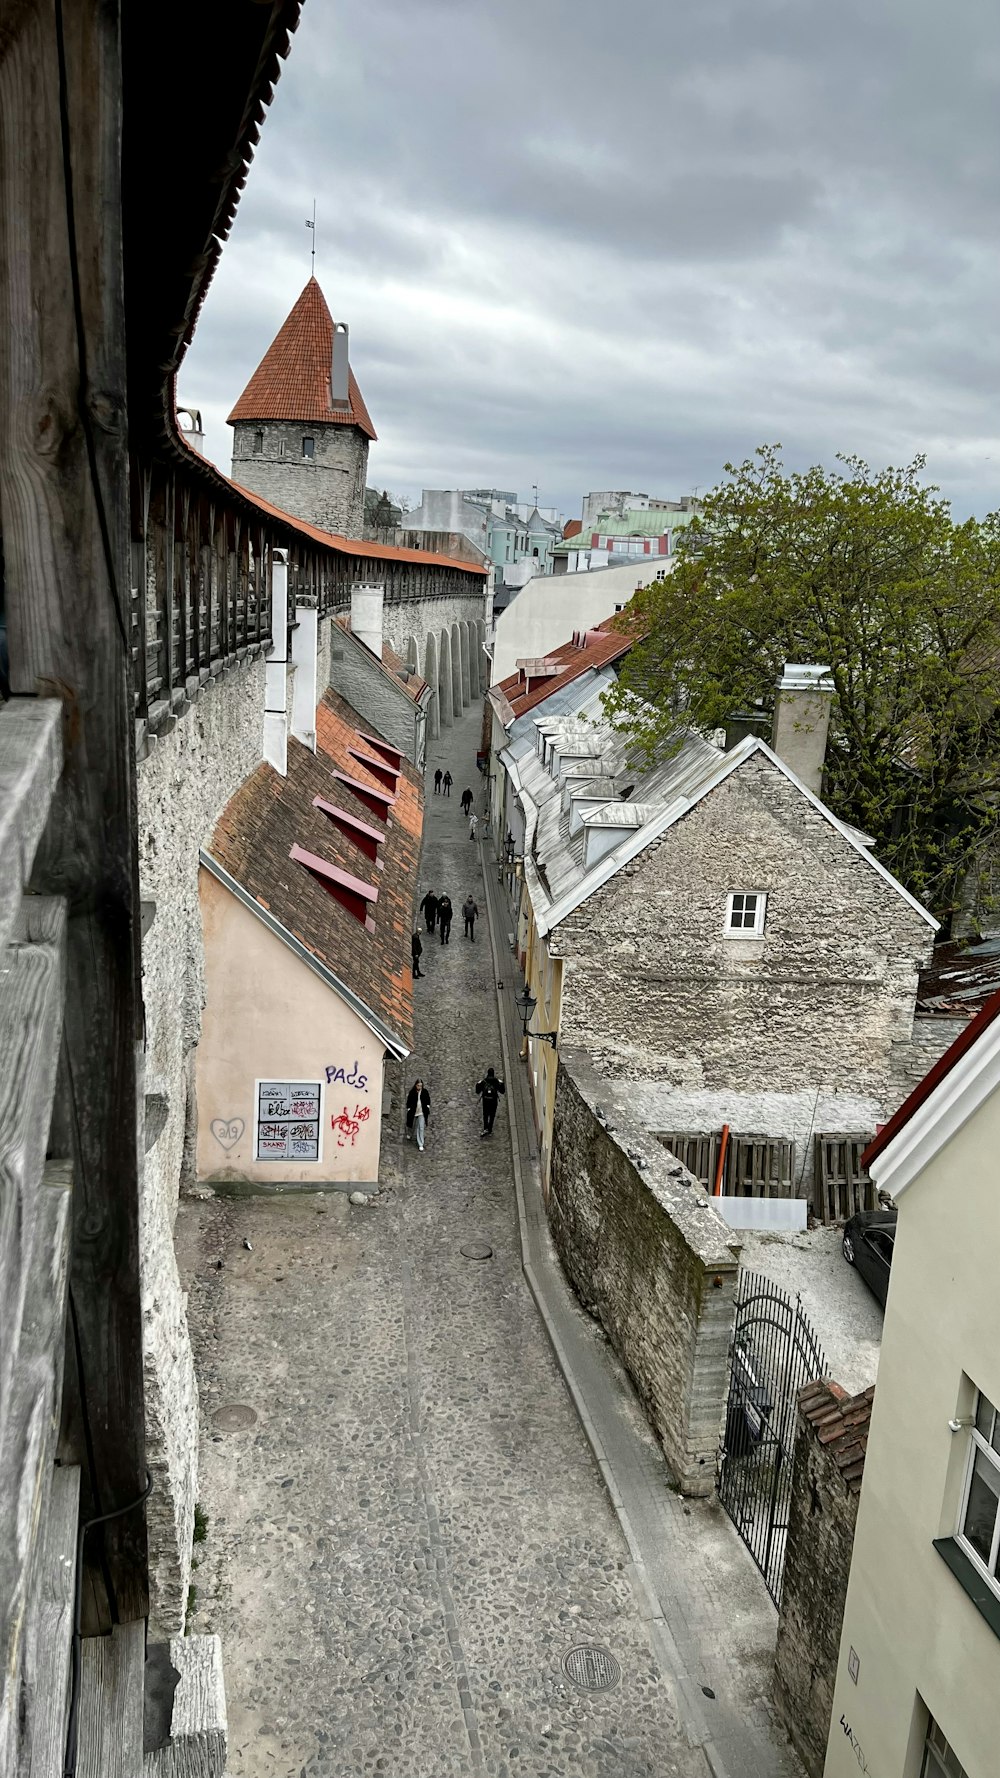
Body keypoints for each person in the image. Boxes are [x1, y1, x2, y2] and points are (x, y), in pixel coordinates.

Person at [476, 1066, 505, 1137]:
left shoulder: (484, 1081)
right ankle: (490, 1129)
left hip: (485, 1100)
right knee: (492, 1115)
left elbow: (477, 1091)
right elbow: (502, 1091)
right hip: (493, 1100)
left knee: (485, 1114)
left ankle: (485, 1128)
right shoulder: (496, 1081)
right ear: (493, 1074)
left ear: (487, 1073)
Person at [405, 1078, 431, 1150]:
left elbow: (428, 1099)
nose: (420, 1087)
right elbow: (409, 1101)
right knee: (412, 1125)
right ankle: (410, 1134)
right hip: (413, 1112)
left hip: (421, 1112)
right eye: (418, 1085)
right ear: (416, 1085)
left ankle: (420, 1143)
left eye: (421, 1086)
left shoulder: (425, 1092)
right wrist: (409, 1108)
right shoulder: (412, 1092)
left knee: (421, 1127)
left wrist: (427, 1106)